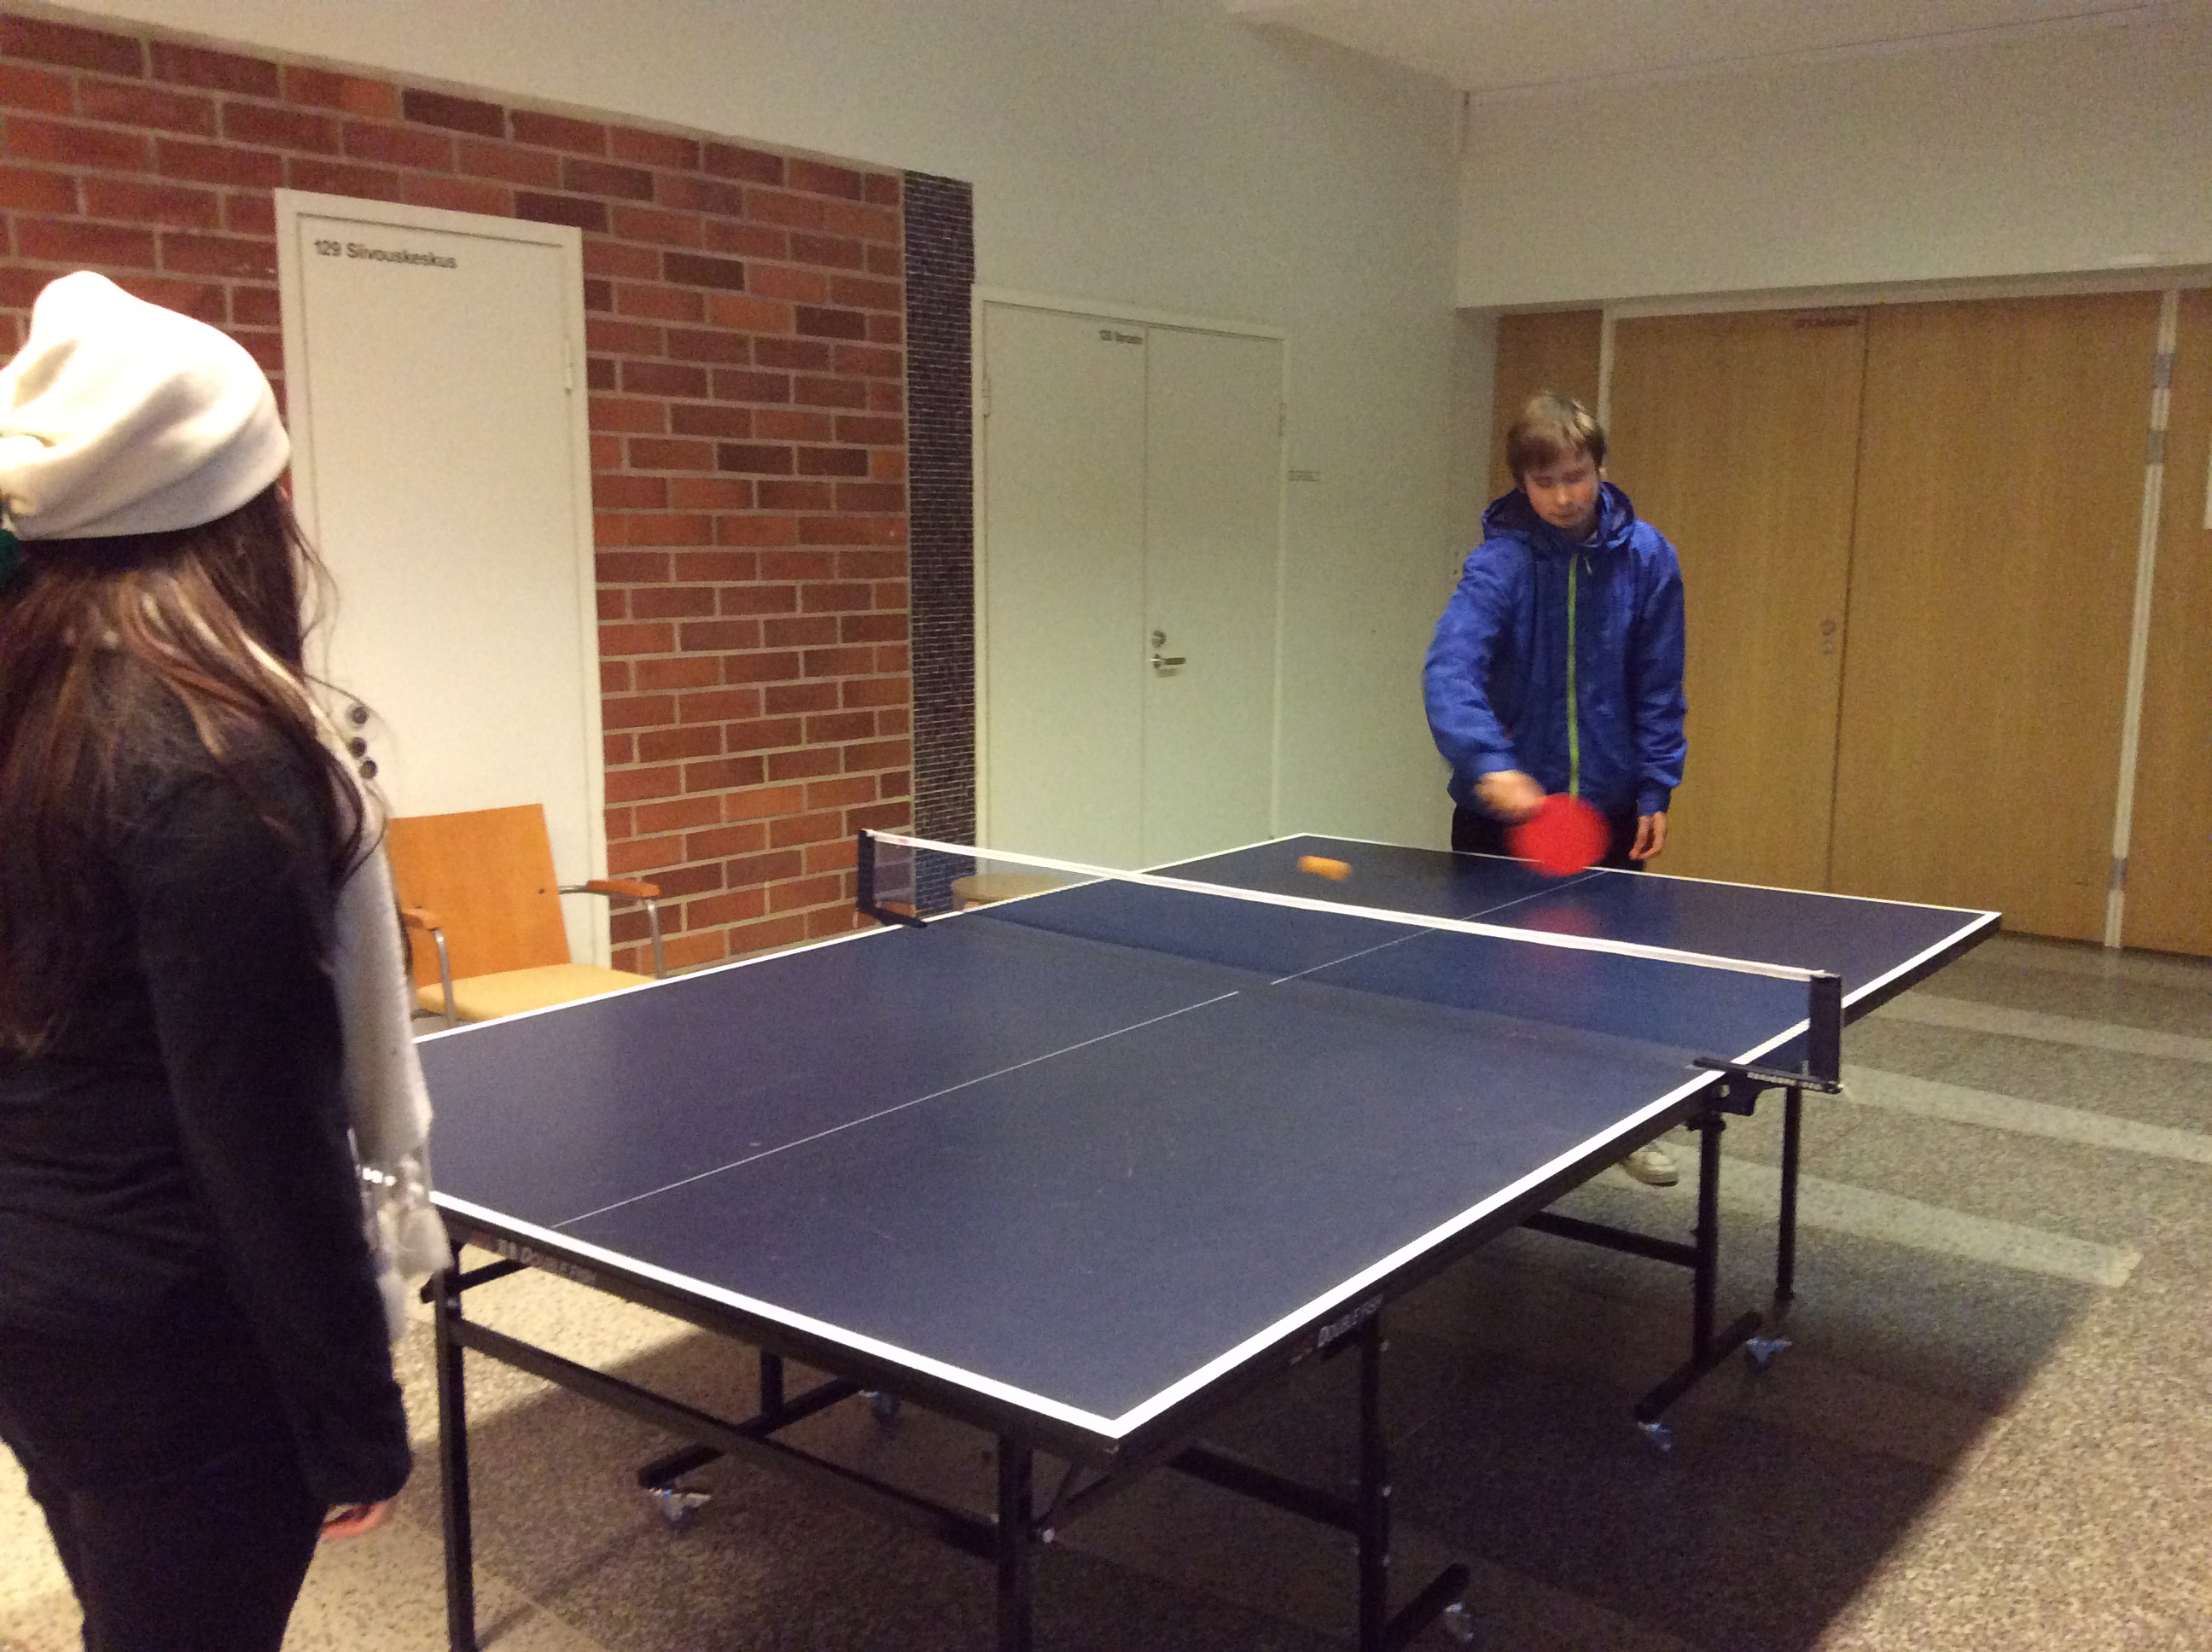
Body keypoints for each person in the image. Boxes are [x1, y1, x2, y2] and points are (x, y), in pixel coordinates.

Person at [0, 272, 447, 1650]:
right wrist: (353, 1419)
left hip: (35, 1293)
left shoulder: (32, 701)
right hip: (175, 1340)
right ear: (238, 509)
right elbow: (262, 1133)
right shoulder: (218, 759)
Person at [1423, 391, 1688, 1185]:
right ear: (1523, 484)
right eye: (1546, 483)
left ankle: (1618, 1127)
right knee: (1491, 989)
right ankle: (1492, 1147)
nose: (1565, 496)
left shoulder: (1648, 558)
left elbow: (1658, 683)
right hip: (1502, 822)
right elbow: (1450, 671)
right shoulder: (1499, 565)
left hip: (1605, 813)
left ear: (1600, 469)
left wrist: (1656, 786)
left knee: (1610, 986)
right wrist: (1489, 763)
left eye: (1576, 476)